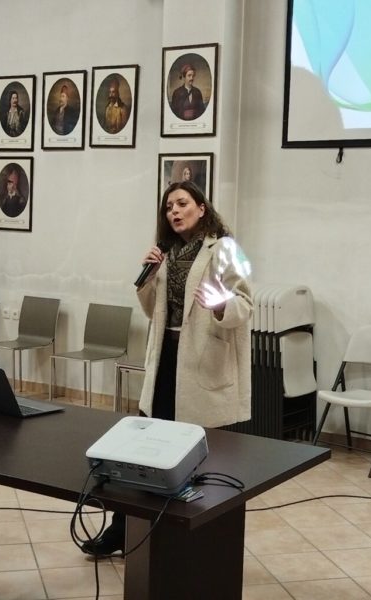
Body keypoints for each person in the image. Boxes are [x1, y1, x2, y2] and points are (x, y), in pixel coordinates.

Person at [82, 180, 253, 557]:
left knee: (197, 456)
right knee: (145, 450)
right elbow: (152, 311)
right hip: (165, 360)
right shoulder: (166, 252)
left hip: (203, 361)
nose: (174, 211)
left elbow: (245, 304)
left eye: (182, 204)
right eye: (169, 207)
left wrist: (221, 305)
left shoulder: (225, 249)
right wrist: (147, 276)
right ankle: (122, 530)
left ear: (202, 208)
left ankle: (192, 542)